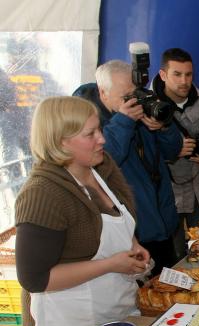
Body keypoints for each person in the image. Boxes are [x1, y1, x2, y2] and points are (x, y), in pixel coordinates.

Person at [15, 96, 149, 326]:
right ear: (60, 141)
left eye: (99, 129)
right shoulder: (42, 194)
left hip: (118, 310)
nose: (102, 139)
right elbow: (35, 279)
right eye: (90, 134)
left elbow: (117, 215)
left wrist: (132, 245)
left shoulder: (101, 166)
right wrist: (110, 264)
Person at [74, 60, 182, 272]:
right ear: (103, 93)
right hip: (133, 235)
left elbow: (173, 151)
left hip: (163, 223)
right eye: (126, 97)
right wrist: (124, 121)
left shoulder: (139, 111)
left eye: (136, 93)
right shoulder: (90, 127)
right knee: (142, 299)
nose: (133, 101)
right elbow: (104, 161)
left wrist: (164, 127)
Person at [154, 48, 199, 233]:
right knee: (174, 255)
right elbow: (140, 151)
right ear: (163, 75)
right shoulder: (149, 107)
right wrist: (172, 150)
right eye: (177, 74)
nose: (184, 81)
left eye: (188, 74)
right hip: (166, 196)